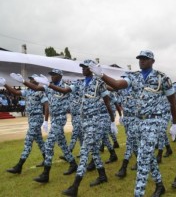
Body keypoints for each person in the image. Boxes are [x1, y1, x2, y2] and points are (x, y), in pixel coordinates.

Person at [90, 50, 176, 197]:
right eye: (140, 58)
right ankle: (160, 185)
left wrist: (175, 123)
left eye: (145, 58)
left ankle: (139, 193)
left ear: (152, 61)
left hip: (154, 121)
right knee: (148, 156)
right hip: (138, 122)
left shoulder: (163, 78)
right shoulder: (134, 77)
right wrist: (101, 75)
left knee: (143, 159)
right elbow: (118, 85)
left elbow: (173, 103)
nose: (141, 61)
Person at [34, 60, 115, 197]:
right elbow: (65, 90)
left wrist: (112, 121)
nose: (82, 69)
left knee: (84, 153)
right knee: (94, 151)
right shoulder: (80, 83)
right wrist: (48, 84)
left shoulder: (99, 83)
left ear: (91, 68)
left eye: (85, 67)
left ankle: (75, 186)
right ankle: (102, 176)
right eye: (82, 67)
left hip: (95, 121)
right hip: (84, 121)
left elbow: (107, 102)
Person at [9, 70, 78, 183]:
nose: (52, 77)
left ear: (60, 76)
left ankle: (45, 174)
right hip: (54, 118)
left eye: (54, 75)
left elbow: (63, 91)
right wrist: (23, 81)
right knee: (62, 144)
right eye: (51, 75)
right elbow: (36, 88)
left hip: (60, 118)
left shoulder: (66, 86)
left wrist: (48, 84)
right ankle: (73, 163)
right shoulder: (49, 87)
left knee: (49, 145)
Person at [0, 75, 49, 174]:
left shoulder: (40, 92)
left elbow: (46, 105)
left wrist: (46, 120)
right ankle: (46, 159)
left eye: (32, 79)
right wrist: (5, 84)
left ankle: (19, 166)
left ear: (36, 81)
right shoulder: (28, 91)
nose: (30, 80)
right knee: (39, 140)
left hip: (37, 118)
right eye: (30, 79)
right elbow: (16, 92)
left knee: (28, 141)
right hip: (31, 119)